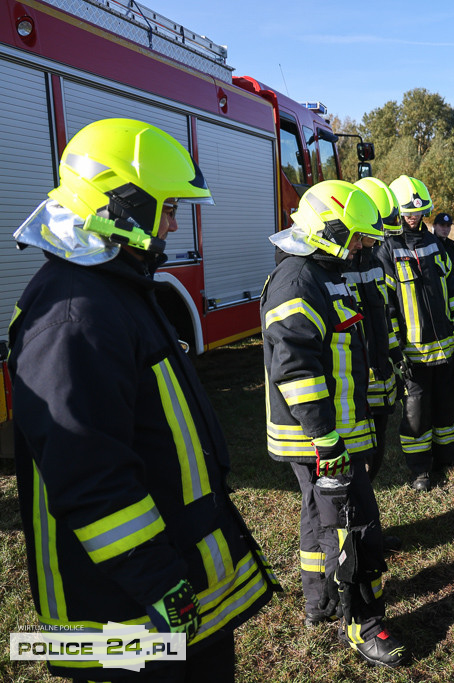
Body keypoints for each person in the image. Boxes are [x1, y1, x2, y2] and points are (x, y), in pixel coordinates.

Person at [8, 117, 280, 681]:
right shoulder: (72, 316)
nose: (177, 221)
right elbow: (90, 477)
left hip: (150, 596)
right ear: (122, 206)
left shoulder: (113, 286)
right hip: (124, 620)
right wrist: (160, 582)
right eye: (169, 206)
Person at [261, 180, 408, 667]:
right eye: (358, 236)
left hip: (330, 432)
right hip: (322, 436)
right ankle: (361, 622)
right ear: (328, 229)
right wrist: (328, 440)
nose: (365, 245)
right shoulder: (299, 282)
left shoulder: (326, 270)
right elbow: (296, 371)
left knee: (316, 516)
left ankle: (320, 601)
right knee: (353, 526)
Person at [378, 175, 454, 492]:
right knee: (417, 416)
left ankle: (450, 459)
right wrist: (395, 351)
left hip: (445, 347)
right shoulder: (387, 251)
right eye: (409, 213)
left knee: (447, 410)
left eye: (419, 213)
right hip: (413, 354)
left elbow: (451, 286)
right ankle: (420, 470)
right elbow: (388, 308)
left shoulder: (435, 244)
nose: (414, 218)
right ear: (395, 212)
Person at [353, 176, 403, 482]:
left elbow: (383, 315)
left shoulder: (372, 261)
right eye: (375, 231)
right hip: (353, 384)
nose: (380, 239)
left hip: (379, 373)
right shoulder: (332, 268)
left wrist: (393, 357)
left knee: (375, 450)